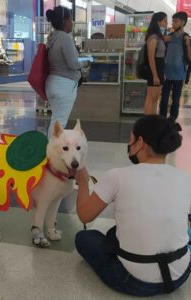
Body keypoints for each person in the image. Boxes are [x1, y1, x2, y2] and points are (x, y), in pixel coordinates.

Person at [75, 115, 191, 297]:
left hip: (134, 281)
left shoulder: (117, 176)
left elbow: (84, 216)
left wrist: (82, 182)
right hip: (181, 275)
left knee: (84, 237)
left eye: (130, 140)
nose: (129, 145)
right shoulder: (184, 178)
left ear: (141, 142)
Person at [45, 6, 82, 137]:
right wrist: (85, 63)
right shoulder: (65, 38)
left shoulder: (52, 38)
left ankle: (51, 152)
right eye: (71, 20)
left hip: (53, 83)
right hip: (64, 85)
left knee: (56, 121)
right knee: (59, 124)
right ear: (66, 21)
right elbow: (73, 64)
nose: (72, 23)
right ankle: (52, 154)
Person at [159, 12, 191, 121]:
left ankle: (172, 120)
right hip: (166, 73)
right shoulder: (169, 35)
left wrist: (188, 45)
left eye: (175, 21)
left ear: (182, 22)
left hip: (179, 74)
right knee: (163, 98)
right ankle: (162, 119)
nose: (173, 23)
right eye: (172, 21)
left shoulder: (187, 37)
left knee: (176, 99)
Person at [144, 12, 167, 115]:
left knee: (155, 97)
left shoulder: (158, 36)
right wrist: (155, 75)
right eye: (165, 21)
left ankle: (152, 121)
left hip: (160, 67)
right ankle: (147, 123)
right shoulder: (153, 37)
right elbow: (151, 58)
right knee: (151, 97)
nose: (167, 23)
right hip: (155, 68)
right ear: (158, 22)